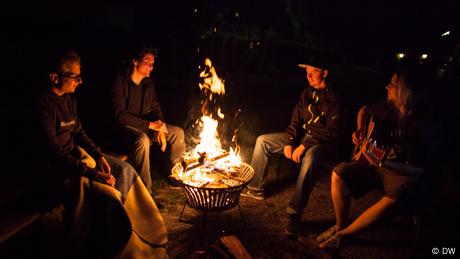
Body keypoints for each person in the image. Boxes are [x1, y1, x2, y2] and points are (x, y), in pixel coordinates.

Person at [35, 50, 168, 258]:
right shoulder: (43, 104)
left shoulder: (69, 99)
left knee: (125, 170)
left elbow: (78, 132)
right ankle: (107, 239)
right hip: (53, 168)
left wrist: (99, 157)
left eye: (80, 76)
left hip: (75, 156)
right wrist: (92, 173)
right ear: (55, 77)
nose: (80, 81)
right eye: (75, 76)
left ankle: (130, 225)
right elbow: (52, 153)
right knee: (107, 188)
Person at [316, 65, 440, 250]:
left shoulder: (425, 124)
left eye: (392, 83)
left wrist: (383, 162)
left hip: (406, 176)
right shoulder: (390, 108)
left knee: (398, 195)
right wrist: (361, 131)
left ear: (406, 90)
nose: (386, 87)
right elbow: (364, 110)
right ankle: (340, 225)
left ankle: (344, 235)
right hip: (380, 166)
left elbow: (419, 169)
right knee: (339, 173)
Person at [241, 54, 344, 238]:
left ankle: (294, 213)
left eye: (313, 72)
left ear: (325, 73)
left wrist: (304, 146)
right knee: (263, 140)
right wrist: (289, 142)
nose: (309, 76)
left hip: (321, 143)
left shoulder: (334, 98)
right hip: (301, 138)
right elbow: (295, 122)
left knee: (311, 158)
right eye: (307, 72)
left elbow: (331, 133)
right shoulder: (306, 93)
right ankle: (256, 189)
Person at [110, 47, 185, 191]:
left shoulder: (148, 83)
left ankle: (177, 177)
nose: (151, 66)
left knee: (178, 133)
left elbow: (155, 107)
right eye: (147, 62)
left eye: (153, 63)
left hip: (146, 126)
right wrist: (151, 125)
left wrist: (161, 128)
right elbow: (120, 115)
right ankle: (145, 189)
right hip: (124, 130)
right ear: (135, 61)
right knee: (143, 140)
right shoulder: (120, 81)